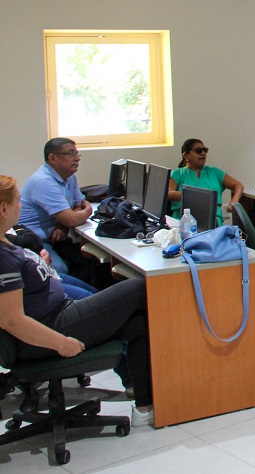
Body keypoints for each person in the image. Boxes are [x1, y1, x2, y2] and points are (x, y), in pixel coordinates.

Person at [0, 175, 155, 427]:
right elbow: (11, 321)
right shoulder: (3, 258)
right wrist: (61, 343)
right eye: (17, 200)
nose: (21, 205)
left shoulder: (6, 243)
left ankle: (145, 407)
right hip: (52, 327)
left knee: (136, 323)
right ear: (3, 208)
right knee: (137, 288)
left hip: (58, 314)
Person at [17, 138, 97, 282]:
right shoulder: (44, 181)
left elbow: (78, 204)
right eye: (71, 153)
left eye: (77, 153)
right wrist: (88, 210)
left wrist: (63, 224)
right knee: (61, 270)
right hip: (33, 242)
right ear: (52, 158)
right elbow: (73, 218)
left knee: (91, 260)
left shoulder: (69, 176)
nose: (77, 158)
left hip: (54, 237)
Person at [167, 139, 244, 227]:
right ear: (186, 155)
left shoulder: (215, 172)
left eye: (205, 150)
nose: (203, 153)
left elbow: (238, 185)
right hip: (184, 222)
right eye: (198, 151)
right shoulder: (178, 174)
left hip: (212, 221)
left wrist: (234, 201)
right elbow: (169, 193)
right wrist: (194, 195)